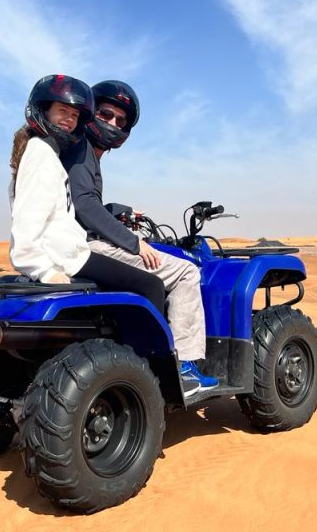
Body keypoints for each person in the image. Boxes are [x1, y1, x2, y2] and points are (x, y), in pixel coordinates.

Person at [61, 80, 218, 391]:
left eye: (120, 120)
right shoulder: (80, 150)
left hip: (74, 242)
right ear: (91, 112)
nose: (113, 124)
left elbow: (82, 204)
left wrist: (117, 216)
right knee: (187, 272)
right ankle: (185, 366)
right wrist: (135, 242)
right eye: (106, 114)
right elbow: (85, 206)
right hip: (84, 247)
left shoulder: (85, 154)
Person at [9, 75, 165, 314]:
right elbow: (27, 220)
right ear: (43, 110)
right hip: (67, 256)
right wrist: (44, 271)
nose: (69, 120)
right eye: (63, 111)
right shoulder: (41, 153)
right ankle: (150, 352)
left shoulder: (50, 153)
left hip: (69, 251)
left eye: (74, 115)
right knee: (152, 285)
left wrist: (120, 211)